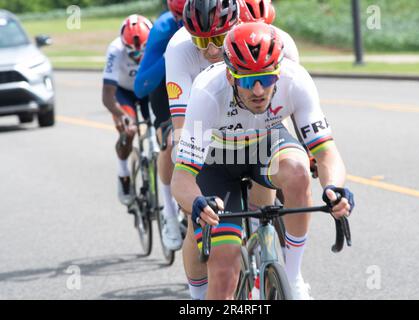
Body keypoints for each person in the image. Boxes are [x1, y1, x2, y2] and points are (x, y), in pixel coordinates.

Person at [171, 22, 355, 300]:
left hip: (266, 145)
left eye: (267, 79)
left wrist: (334, 188)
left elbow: (326, 152)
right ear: (231, 77)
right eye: (247, 81)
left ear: (278, 73)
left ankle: (292, 277)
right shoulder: (207, 92)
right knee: (224, 275)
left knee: (298, 171)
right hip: (216, 160)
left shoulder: (296, 80)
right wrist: (197, 202)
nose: (258, 91)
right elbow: (182, 177)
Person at [165, 0, 302, 299]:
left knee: (273, 195)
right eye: (201, 41)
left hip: (255, 132)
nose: (211, 50)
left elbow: (286, 107)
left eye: (217, 39)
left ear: (237, 25)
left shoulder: (269, 42)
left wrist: (301, 154)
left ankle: (283, 270)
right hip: (205, 132)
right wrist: (187, 185)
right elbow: (182, 124)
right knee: (195, 215)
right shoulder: (178, 49)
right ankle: (198, 296)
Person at [134, 0, 187, 251]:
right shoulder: (164, 28)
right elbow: (140, 85)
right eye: (184, 18)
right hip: (168, 90)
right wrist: (170, 54)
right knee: (170, 142)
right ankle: (168, 212)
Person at [102, 14, 153, 205]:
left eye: (142, 53)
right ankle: (123, 174)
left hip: (148, 89)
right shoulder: (115, 50)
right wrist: (124, 118)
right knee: (128, 132)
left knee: (163, 131)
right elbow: (107, 97)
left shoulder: (157, 42)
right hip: (124, 92)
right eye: (133, 54)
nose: (139, 58)